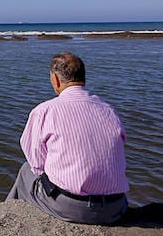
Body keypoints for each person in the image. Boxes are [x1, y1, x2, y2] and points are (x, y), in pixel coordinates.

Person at [7, 51, 129, 224]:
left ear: (56, 80)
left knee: (26, 170)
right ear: (83, 78)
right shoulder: (108, 110)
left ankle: (8, 217)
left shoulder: (45, 111)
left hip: (72, 208)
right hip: (116, 207)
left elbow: (37, 164)